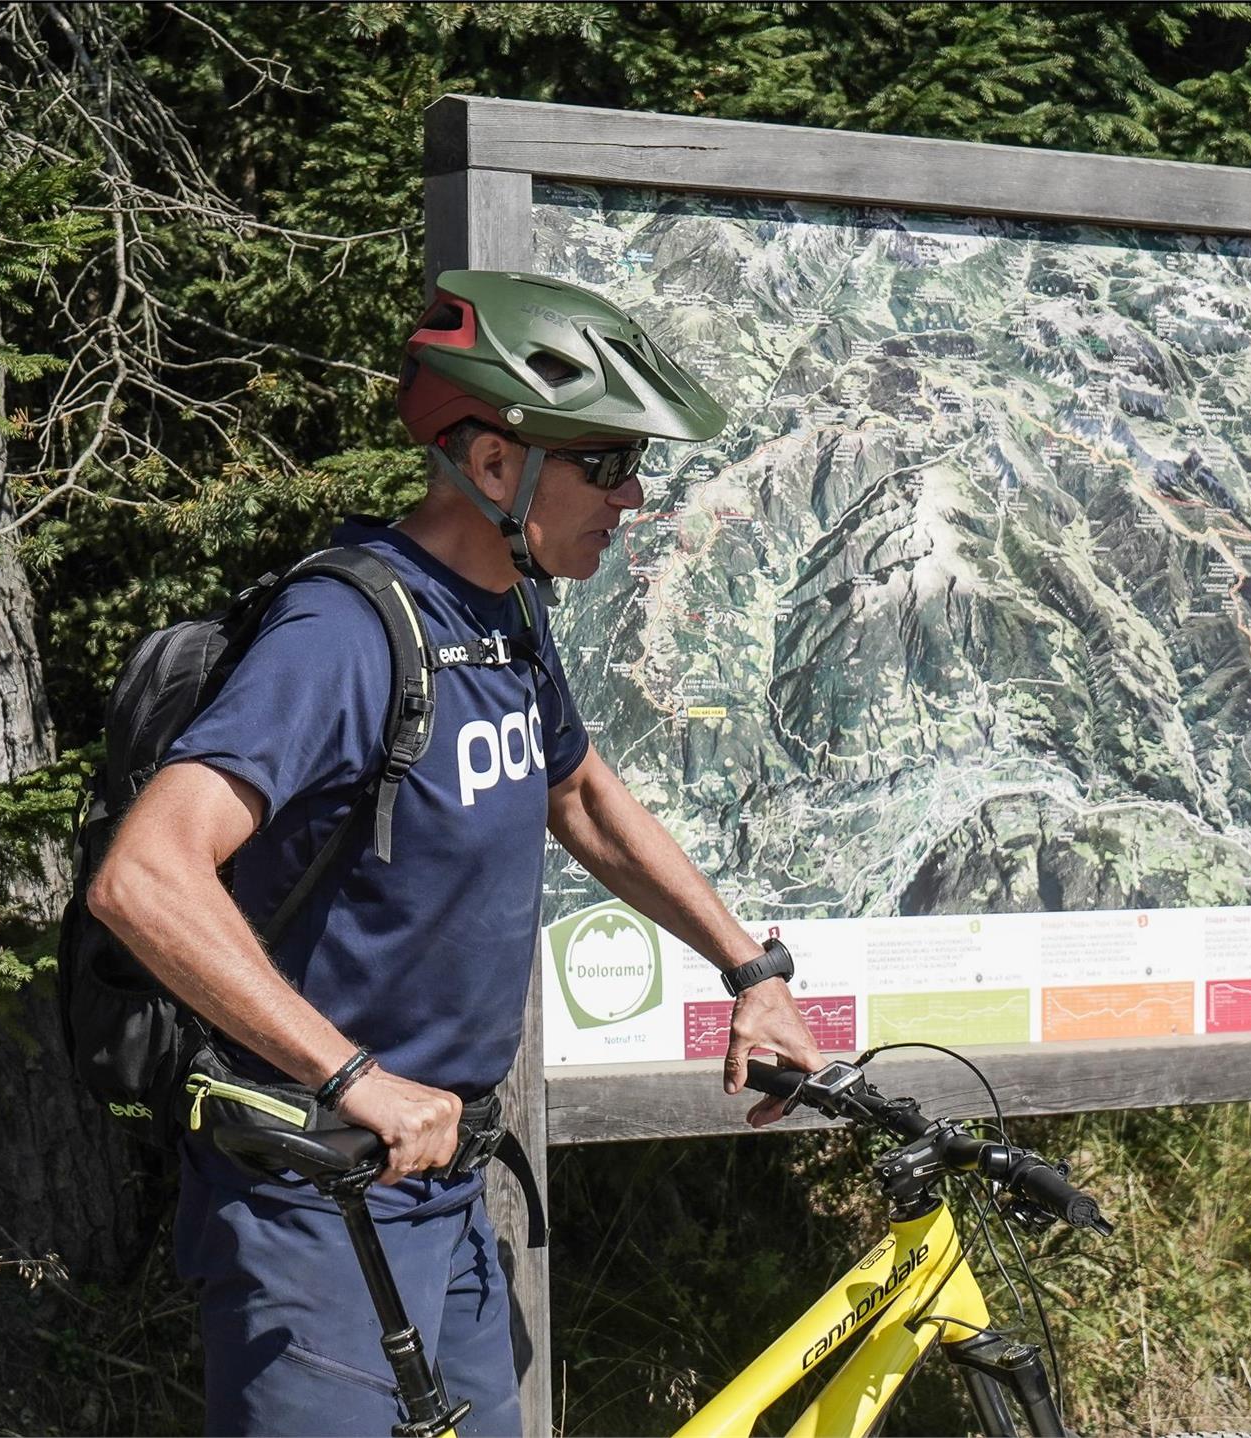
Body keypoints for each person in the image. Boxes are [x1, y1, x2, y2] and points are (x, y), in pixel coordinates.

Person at [88, 270, 825, 1437]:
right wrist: (352, 1075)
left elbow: (576, 794)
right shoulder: (345, 632)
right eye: (603, 462)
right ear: (492, 465)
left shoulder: (505, 616)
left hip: (440, 1185)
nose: (630, 496)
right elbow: (144, 875)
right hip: (314, 1200)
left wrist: (750, 969)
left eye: (635, 464)